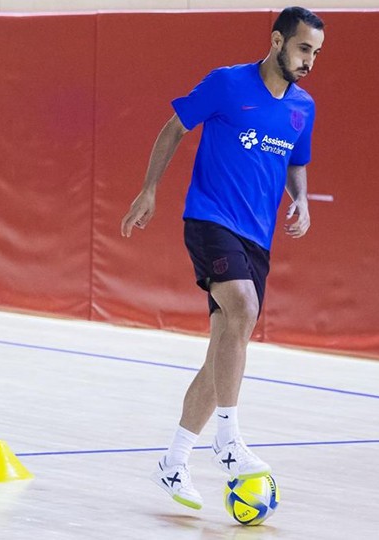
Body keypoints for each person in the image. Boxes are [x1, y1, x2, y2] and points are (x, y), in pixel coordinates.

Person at [120, 7, 326, 510]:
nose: (309, 61)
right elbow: (174, 128)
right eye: (303, 48)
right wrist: (149, 189)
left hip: (257, 238)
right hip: (210, 220)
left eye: (316, 53)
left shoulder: (303, 107)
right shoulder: (227, 83)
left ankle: (174, 462)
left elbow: (296, 161)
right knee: (244, 309)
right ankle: (228, 442)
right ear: (277, 41)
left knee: (222, 353)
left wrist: (301, 199)